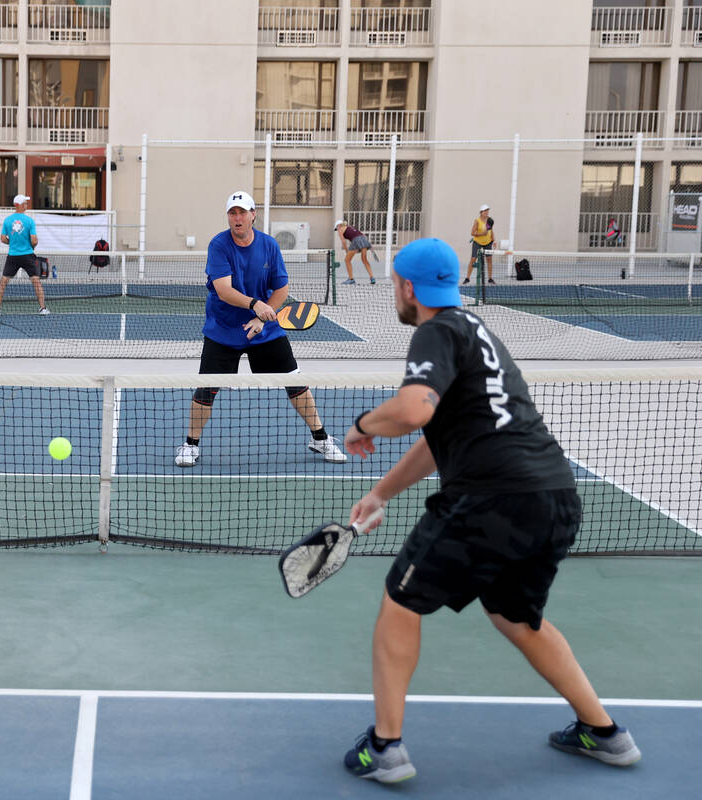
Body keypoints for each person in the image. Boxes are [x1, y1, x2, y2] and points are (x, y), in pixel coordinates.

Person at [339, 237, 640, 783]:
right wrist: (380, 493)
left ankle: (384, 747)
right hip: (554, 497)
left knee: (400, 602)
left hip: (489, 498)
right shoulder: (480, 335)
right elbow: (436, 438)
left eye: (394, 286)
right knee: (515, 616)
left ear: (408, 287)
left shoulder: (435, 330)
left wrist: (361, 426)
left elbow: (412, 409)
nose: (395, 295)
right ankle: (604, 732)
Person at [174, 191, 347, 468]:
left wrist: (262, 319)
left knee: (295, 382)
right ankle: (190, 445)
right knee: (206, 389)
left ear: (254, 214)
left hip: (264, 330)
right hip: (224, 329)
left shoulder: (269, 246)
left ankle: (320, 438)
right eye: (233, 213)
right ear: (228, 217)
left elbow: (281, 289)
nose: (238, 218)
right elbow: (224, 290)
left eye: (243, 212)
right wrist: (256, 305)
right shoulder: (219, 245)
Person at [0, 193, 49, 316]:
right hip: (28, 255)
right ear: (18, 205)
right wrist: (30, 247)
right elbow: (34, 240)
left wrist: (12, 243)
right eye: (24, 203)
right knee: (36, 281)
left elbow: (3, 239)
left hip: (12, 256)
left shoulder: (7, 220)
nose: (26, 204)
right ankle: (43, 308)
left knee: (3, 281)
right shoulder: (29, 221)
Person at [334, 220, 377, 285]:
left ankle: (351, 279)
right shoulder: (350, 227)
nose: (337, 230)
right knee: (364, 260)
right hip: (363, 239)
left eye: (336, 228)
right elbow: (363, 236)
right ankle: (372, 278)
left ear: (338, 225)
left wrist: (346, 251)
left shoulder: (340, 229)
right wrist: (369, 245)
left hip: (356, 240)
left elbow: (343, 241)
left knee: (347, 260)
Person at [463, 203, 496, 284]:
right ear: (481, 212)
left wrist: (494, 241)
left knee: (489, 260)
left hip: (488, 242)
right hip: (477, 242)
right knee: (473, 259)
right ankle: (467, 278)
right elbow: (472, 233)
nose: (486, 212)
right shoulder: (477, 221)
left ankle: (490, 278)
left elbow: (491, 231)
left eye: (487, 210)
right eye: (485, 211)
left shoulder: (490, 220)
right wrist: (482, 234)